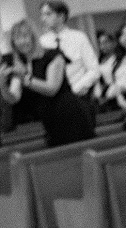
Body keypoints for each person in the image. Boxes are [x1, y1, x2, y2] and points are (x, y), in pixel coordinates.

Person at [0, 18, 95, 147]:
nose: (22, 42)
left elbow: (52, 89)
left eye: (25, 36)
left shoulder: (52, 56)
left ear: (34, 37)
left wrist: (26, 78)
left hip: (70, 114)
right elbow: (13, 98)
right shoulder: (20, 64)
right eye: (17, 38)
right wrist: (2, 84)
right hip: (49, 121)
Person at [39, 0, 100, 122]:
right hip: (54, 101)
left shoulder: (78, 37)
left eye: (48, 14)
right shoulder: (42, 42)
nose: (43, 18)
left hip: (79, 95)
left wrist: (74, 90)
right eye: (42, 15)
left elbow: (94, 70)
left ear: (61, 16)